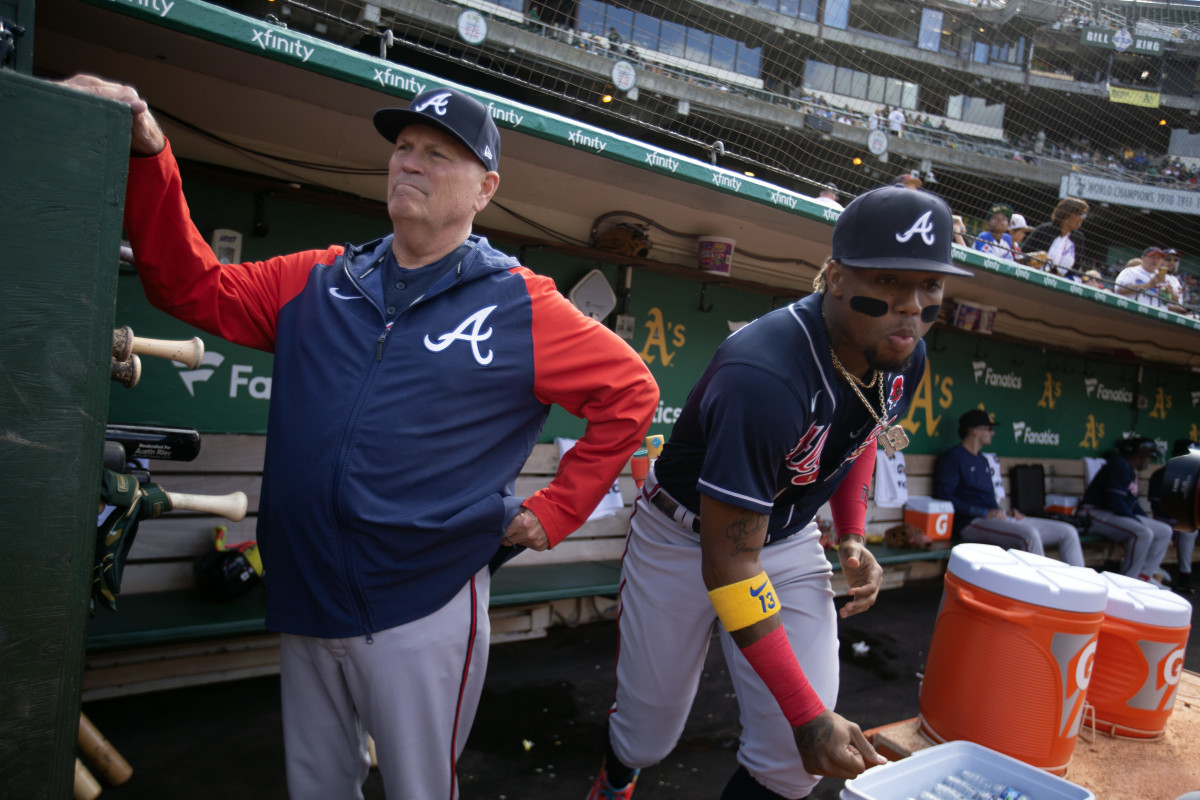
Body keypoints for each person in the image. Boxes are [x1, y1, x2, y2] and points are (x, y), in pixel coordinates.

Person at [65, 75, 659, 799]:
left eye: (439, 155)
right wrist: (151, 154)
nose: (409, 161)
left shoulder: (518, 301)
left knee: (416, 790)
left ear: (485, 189)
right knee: (316, 787)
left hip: (426, 596)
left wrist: (557, 510)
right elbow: (189, 287)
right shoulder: (319, 279)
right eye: (404, 147)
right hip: (309, 590)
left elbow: (632, 393)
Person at [586, 186, 972, 800]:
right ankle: (617, 777)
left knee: (798, 764)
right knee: (647, 735)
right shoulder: (764, 374)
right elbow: (731, 565)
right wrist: (806, 713)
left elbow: (866, 425)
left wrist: (850, 534)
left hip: (786, 537)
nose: (912, 306)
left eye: (930, 286)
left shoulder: (905, 352)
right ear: (837, 277)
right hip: (682, 537)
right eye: (890, 280)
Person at [934, 410, 1084, 567]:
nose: (992, 433)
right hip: (970, 522)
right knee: (1029, 535)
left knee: (1069, 532)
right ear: (975, 431)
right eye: (989, 429)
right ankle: (1038, 589)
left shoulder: (983, 461)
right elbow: (946, 499)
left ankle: (1081, 588)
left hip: (993, 518)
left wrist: (1006, 513)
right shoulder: (952, 458)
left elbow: (988, 500)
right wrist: (985, 512)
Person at [1080, 437, 1173, 586]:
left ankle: (1144, 577)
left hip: (1112, 514)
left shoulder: (1128, 468)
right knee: (1143, 533)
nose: (1149, 461)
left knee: (1164, 531)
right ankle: (1128, 581)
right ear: (1140, 455)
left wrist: (1144, 520)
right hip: (1095, 513)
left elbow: (1132, 504)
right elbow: (1115, 503)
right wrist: (1139, 522)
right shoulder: (1120, 466)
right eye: (1149, 457)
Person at [1148, 439, 1197, 595]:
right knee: (1187, 529)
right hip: (1164, 519)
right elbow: (1157, 506)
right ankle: (1184, 576)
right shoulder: (1161, 475)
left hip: (1184, 520)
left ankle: (1184, 575)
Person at [1022, 197, 1088, 277]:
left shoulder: (1078, 238)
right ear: (1067, 213)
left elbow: (1076, 269)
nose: (1082, 218)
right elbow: (1023, 254)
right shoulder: (1045, 230)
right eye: (1080, 214)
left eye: (1084, 214)